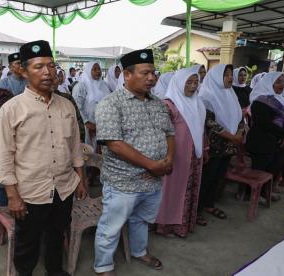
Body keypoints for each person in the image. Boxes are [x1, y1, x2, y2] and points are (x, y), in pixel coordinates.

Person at [0, 40, 87, 276]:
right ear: (23, 71)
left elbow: (75, 146)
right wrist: (13, 196)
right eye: (38, 67)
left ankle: (54, 271)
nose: (47, 72)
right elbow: (3, 157)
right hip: (30, 191)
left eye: (51, 66)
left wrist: (81, 180)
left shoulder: (66, 105)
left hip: (64, 187)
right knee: (28, 243)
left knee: (57, 235)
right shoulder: (11, 109)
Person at [93, 49, 175, 275]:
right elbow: (114, 144)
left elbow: (170, 133)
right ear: (127, 75)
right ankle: (103, 265)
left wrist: (168, 161)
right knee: (111, 227)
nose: (152, 78)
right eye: (145, 73)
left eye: (153, 73)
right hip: (124, 182)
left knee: (141, 220)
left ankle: (139, 251)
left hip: (153, 180)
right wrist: (152, 164)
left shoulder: (157, 103)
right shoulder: (111, 104)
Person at [155, 67, 206, 238]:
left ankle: (183, 225)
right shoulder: (169, 105)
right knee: (171, 190)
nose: (193, 86)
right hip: (174, 156)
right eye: (189, 82)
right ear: (178, 83)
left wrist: (203, 148)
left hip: (192, 156)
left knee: (187, 189)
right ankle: (165, 225)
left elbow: (201, 129)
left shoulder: (198, 103)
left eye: (196, 82)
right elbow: (159, 133)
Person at [198, 64, 244, 223]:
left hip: (229, 146)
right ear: (217, 77)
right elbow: (209, 122)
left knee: (219, 176)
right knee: (207, 177)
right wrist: (232, 137)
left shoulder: (231, 94)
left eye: (231, 74)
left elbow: (240, 118)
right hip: (214, 146)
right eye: (226, 75)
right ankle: (197, 211)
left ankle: (210, 204)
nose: (231, 77)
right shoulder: (206, 95)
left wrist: (238, 133)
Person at [246, 72, 284, 197]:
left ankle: (264, 192)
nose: (281, 85)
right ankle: (251, 194)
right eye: (278, 82)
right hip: (261, 142)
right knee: (259, 170)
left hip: (277, 142)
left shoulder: (281, 99)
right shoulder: (260, 100)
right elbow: (264, 124)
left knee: (273, 168)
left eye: (283, 81)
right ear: (268, 83)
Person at [73, 61, 111, 149]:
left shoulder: (104, 85)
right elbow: (76, 106)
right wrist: (86, 122)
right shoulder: (81, 86)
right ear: (88, 71)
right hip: (88, 125)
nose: (98, 71)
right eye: (94, 69)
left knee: (102, 151)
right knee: (89, 151)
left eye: (99, 69)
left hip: (103, 125)